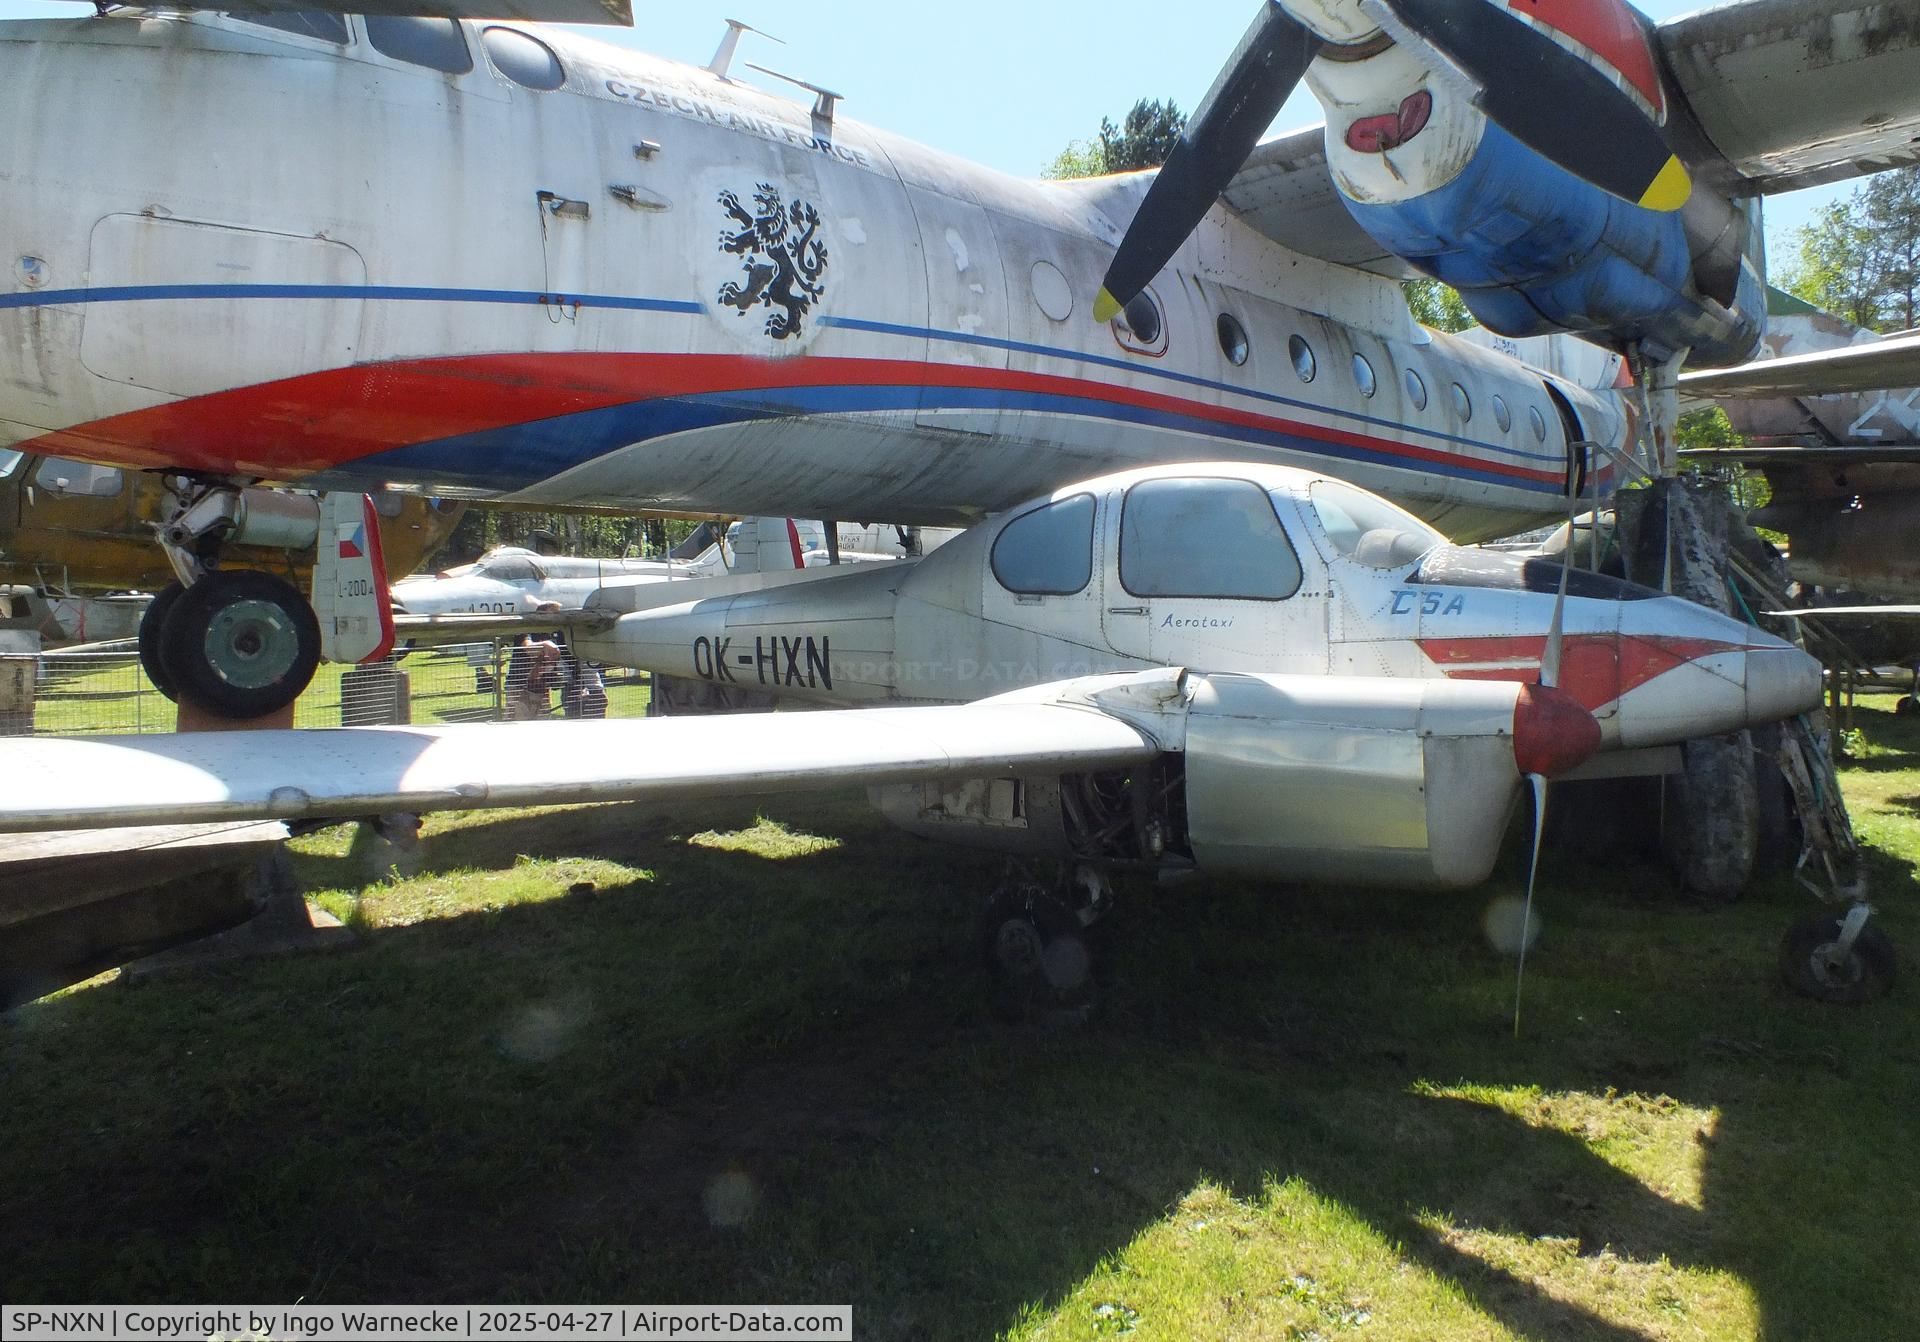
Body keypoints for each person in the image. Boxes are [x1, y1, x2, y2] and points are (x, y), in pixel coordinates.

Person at [503, 636, 561, 720]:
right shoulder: (525, 630)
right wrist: (545, 644)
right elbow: (528, 647)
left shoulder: (549, 631)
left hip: (542, 689)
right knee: (517, 722)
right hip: (519, 688)